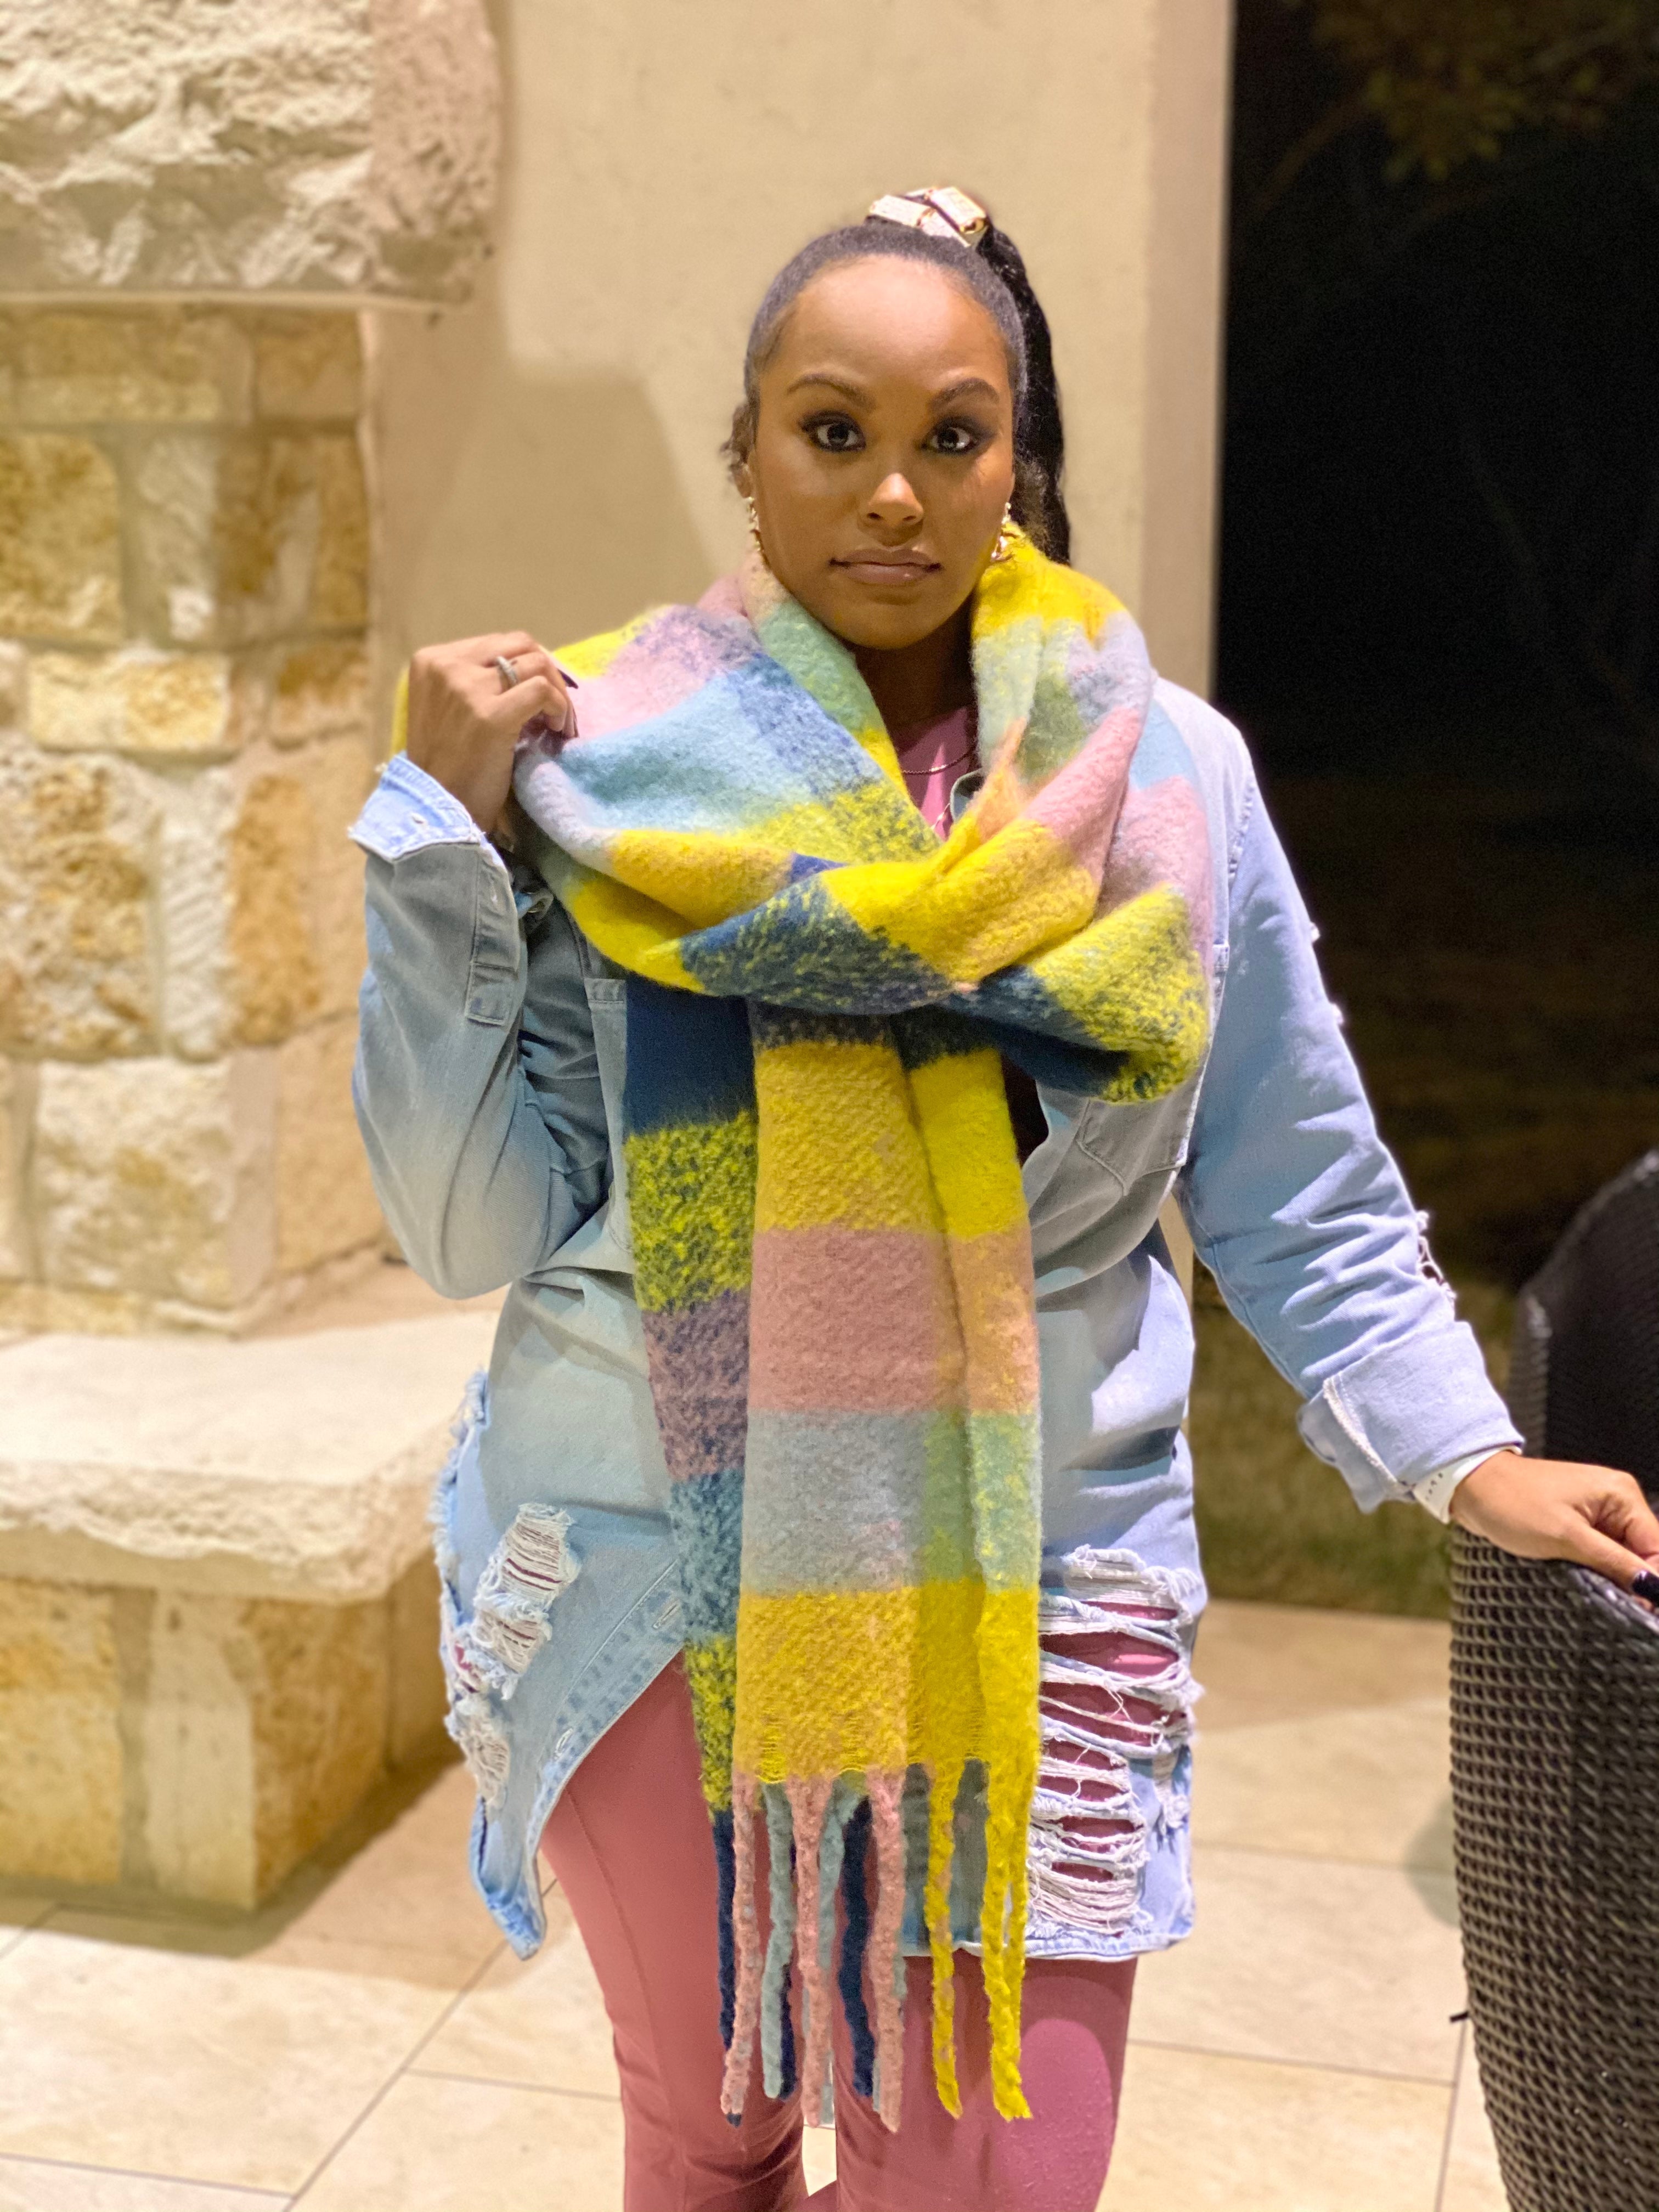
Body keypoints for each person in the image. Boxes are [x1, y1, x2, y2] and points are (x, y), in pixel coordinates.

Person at [350, 186, 1659, 2212]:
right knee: (708, 2133)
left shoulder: (1165, 789)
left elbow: (1297, 1181)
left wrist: (1466, 1453)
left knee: (993, 2176)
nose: (893, 490)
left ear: (1013, 463)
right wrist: (441, 841)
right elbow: (472, 1229)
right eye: (833, 429)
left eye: (950, 434)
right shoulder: (600, 775)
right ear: (748, 455)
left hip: (1040, 1564)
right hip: (646, 1546)